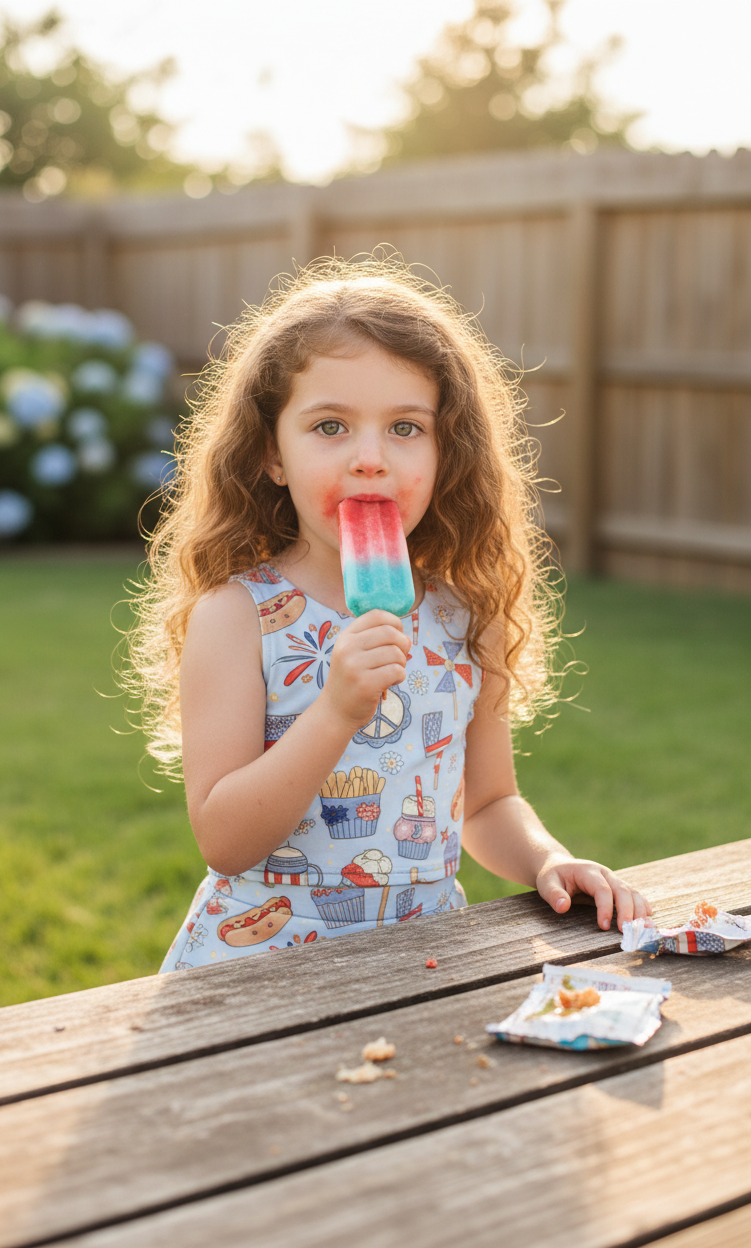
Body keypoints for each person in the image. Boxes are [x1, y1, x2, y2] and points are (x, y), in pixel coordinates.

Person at [126, 255, 652, 971]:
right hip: (257, 968)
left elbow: (489, 803)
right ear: (271, 454)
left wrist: (548, 861)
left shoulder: (468, 614)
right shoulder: (237, 615)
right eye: (330, 426)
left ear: (446, 452)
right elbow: (224, 838)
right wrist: (338, 708)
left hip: (424, 958)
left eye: (406, 428)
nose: (370, 458)